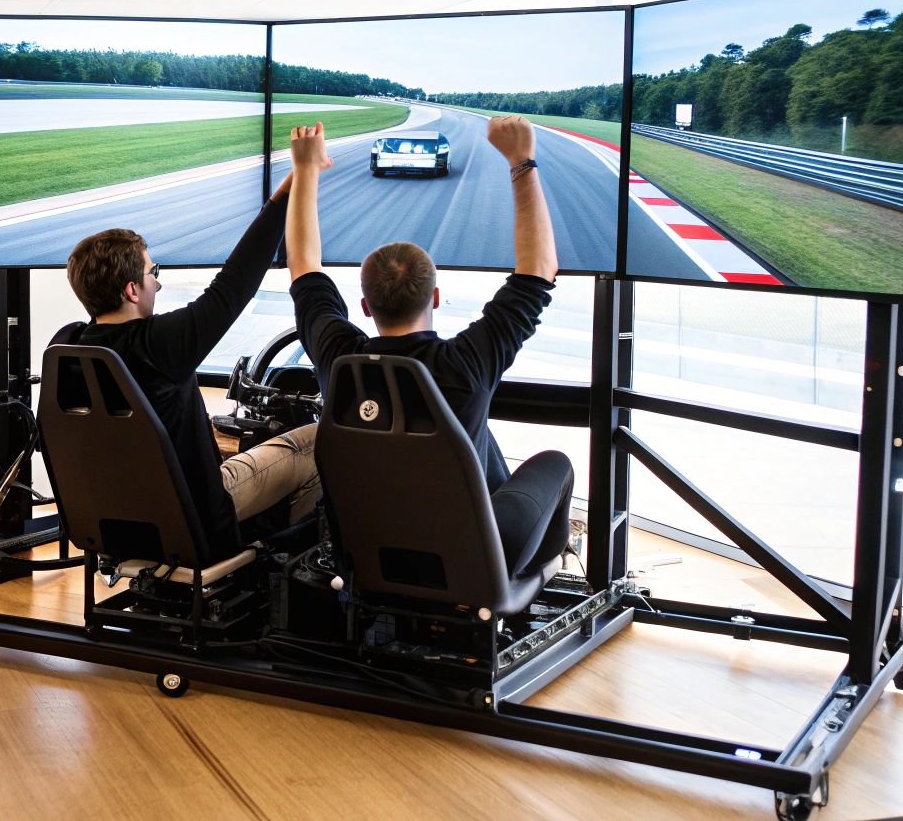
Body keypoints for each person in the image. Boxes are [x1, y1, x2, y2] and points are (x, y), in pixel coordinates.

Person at [283, 116, 572, 559]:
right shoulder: (466, 365)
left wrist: (305, 170)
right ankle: (533, 577)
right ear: (434, 298)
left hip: (370, 554)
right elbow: (538, 271)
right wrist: (521, 160)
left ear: (365, 307)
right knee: (556, 464)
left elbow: (303, 266)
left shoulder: (338, 359)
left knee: (482, 439)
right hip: (469, 561)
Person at [62, 175, 320, 563]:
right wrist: (284, 194)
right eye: (153, 274)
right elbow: (234, 284)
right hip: (194, 517)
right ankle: (270, 566)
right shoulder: (158, 343)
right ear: (132, 290)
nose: (157, 285)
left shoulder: (69, 350)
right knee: (319, 440)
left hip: (114, 524)